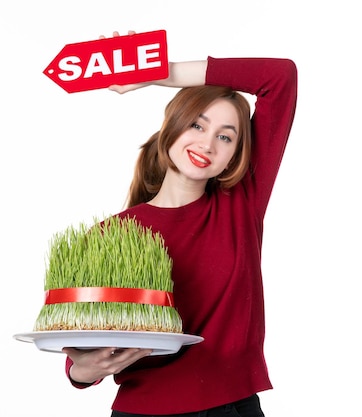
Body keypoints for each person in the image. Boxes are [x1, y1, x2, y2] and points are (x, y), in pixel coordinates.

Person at [61, 31, 298, 417]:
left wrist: (158, 73)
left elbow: (280, 78)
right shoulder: (110, 236)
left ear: (234, 157)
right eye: (197, 126)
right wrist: (84, 371)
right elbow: (84, 341)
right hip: (146, 410)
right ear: (172, 128)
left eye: (226, 137)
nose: (208, 145)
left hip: (235, 406)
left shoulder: (241, 205)